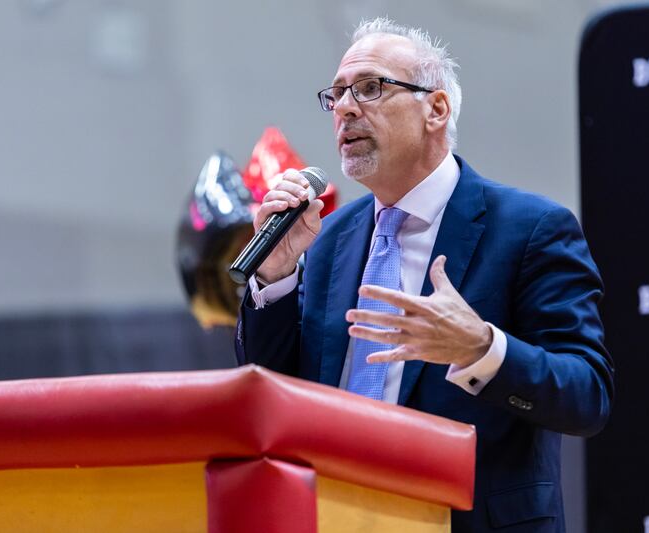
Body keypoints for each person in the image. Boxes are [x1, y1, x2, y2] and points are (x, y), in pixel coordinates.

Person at [235, 17, 614, 533]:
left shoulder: (532, 230)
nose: (345, 107)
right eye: (338, 95)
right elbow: (277, 398)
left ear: (436, 109)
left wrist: (482, 348)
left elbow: (586, 395)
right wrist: (276, 279)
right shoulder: (328, 238)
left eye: (369, 88)